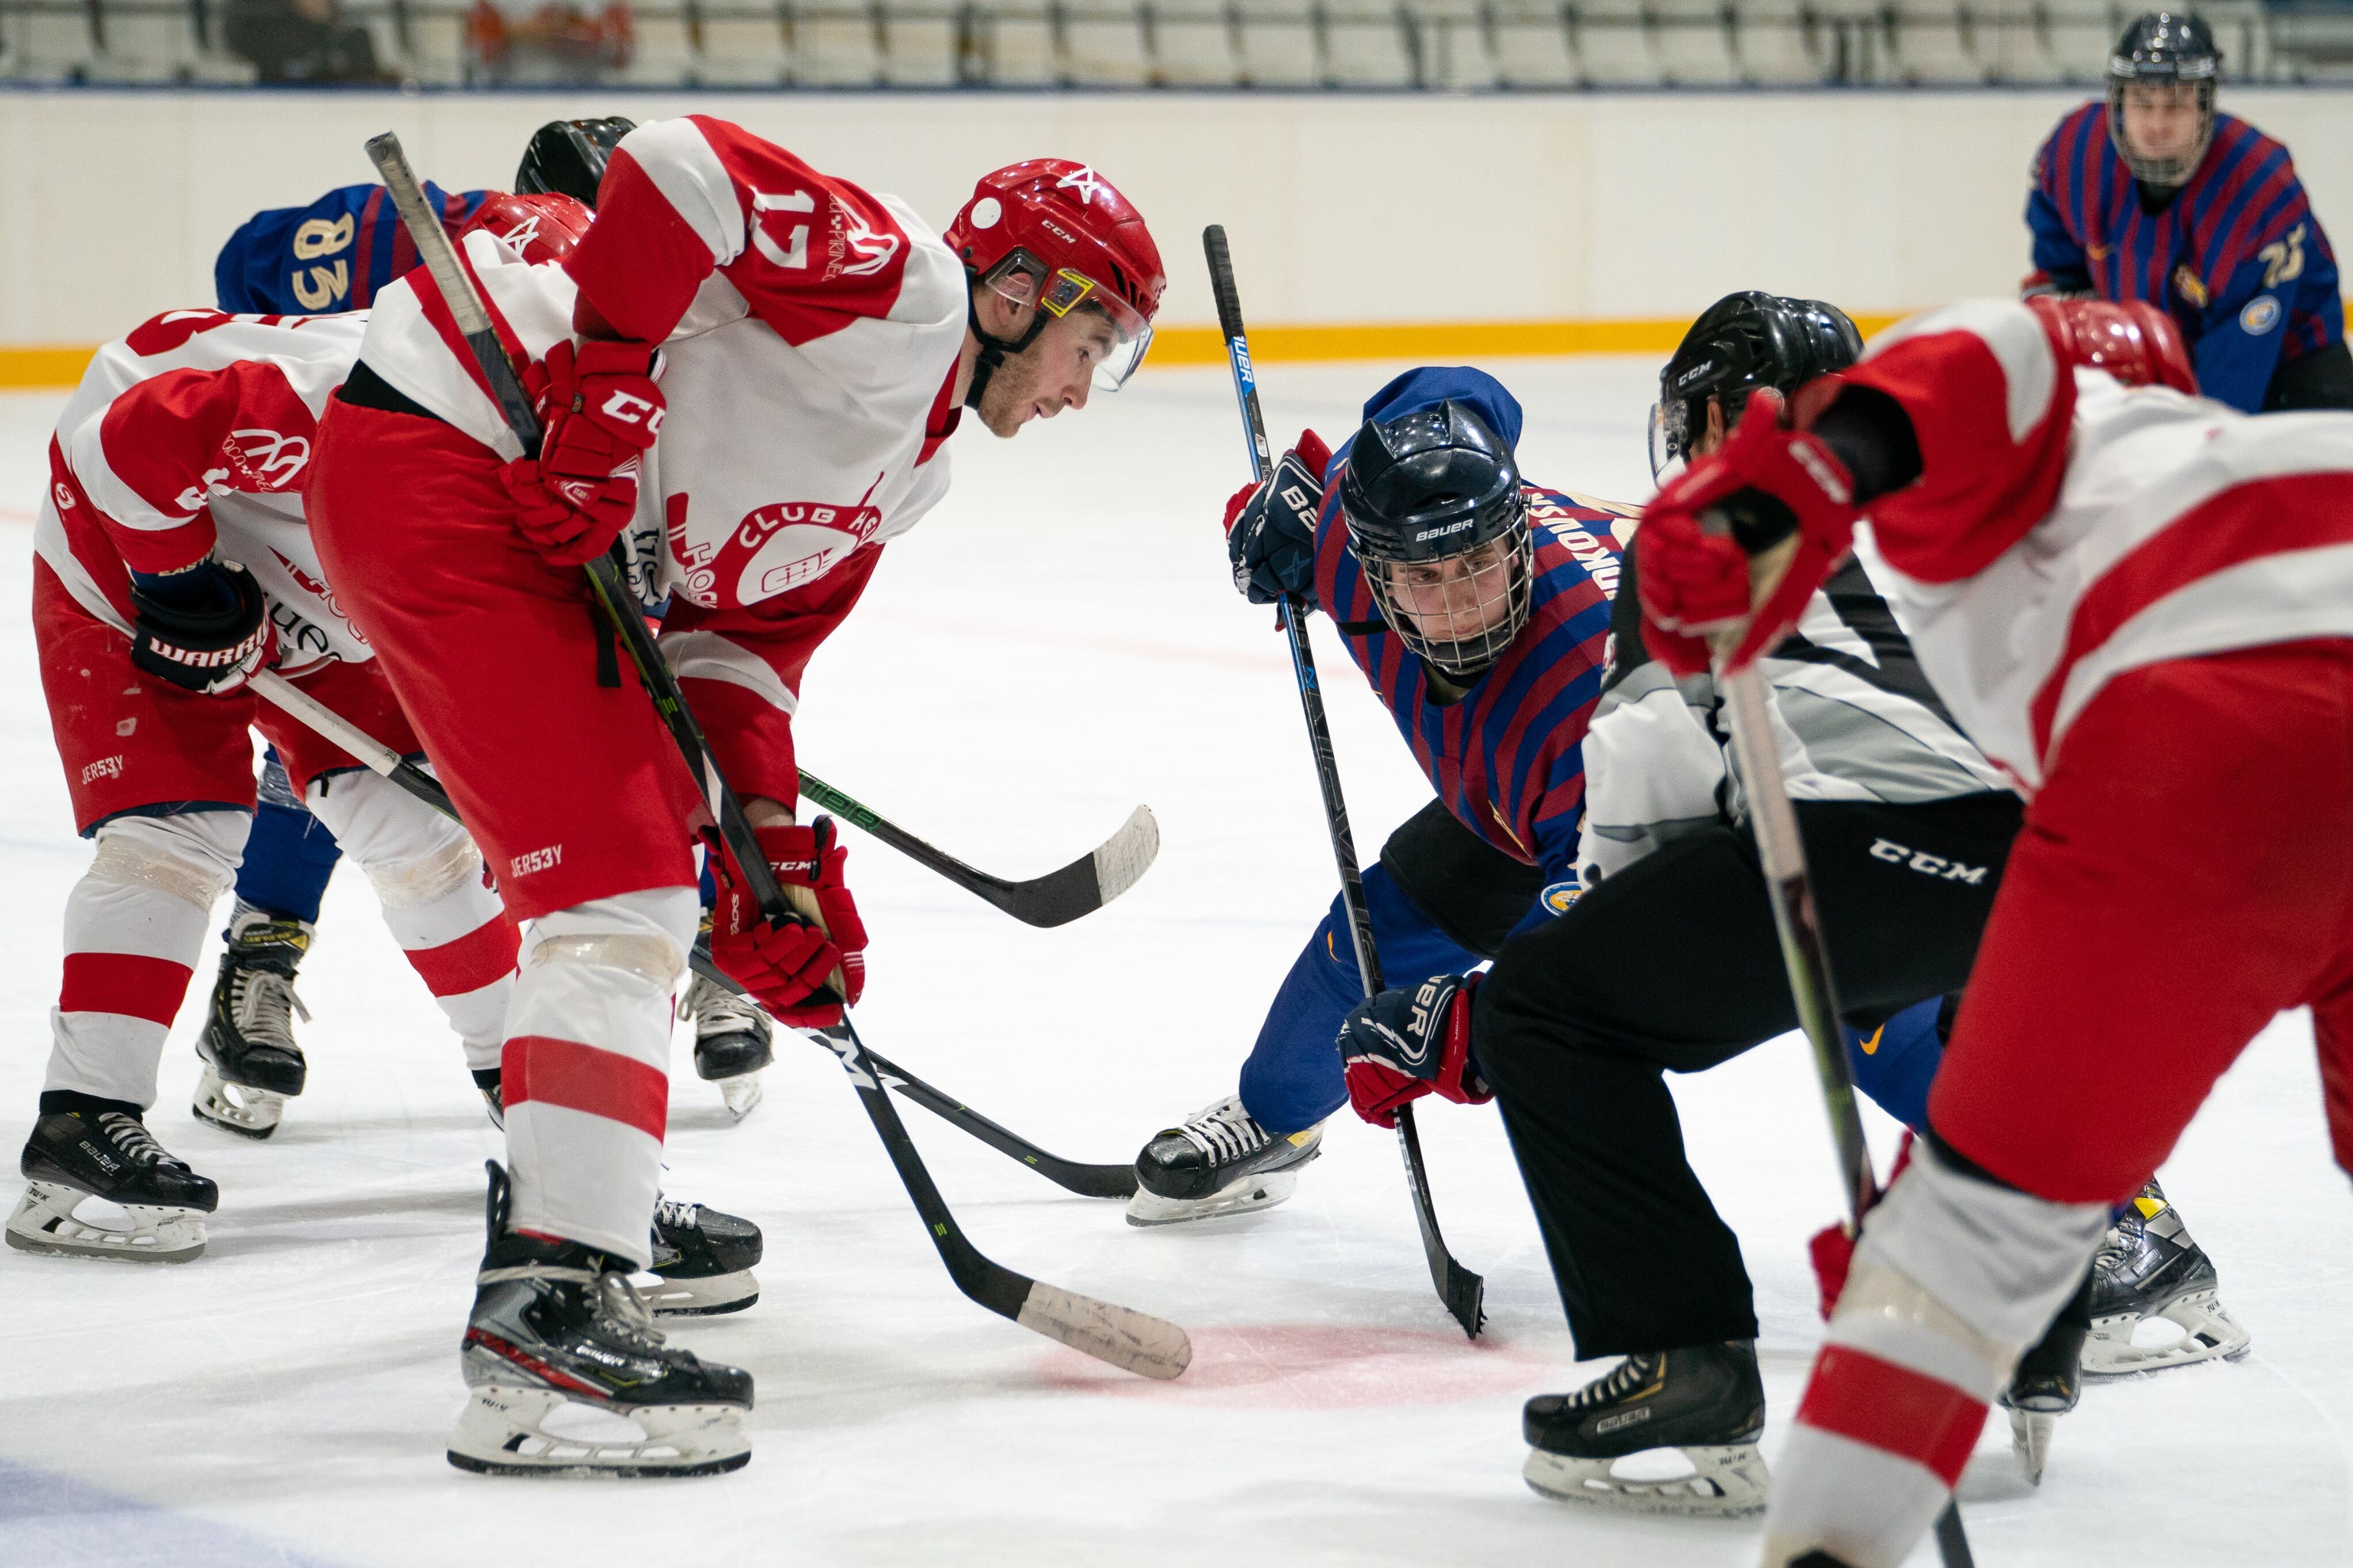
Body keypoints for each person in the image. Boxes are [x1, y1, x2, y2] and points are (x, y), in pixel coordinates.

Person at [304, 118, 1164, 1474]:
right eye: (1089, 343)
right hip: (452, 451)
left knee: (639, 879)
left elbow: (736, 650)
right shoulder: (904, 291)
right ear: (1016, 296)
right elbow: (678, 169)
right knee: (618, 889)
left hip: (490, 505)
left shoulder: (916, 467)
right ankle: (553, 1304)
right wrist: (606, 382)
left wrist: (775, 867)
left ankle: (559, 1253)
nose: (1082, 385)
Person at [1630, 293, 2353, 1568]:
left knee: (1958, 1261)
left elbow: (1974, 368)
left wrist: (1775, 499)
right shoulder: (2175, 459)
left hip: (2203, 727)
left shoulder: (2049, 413)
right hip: (2223, 711)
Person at [9, 209, 761, 1322]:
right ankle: (81, 1127)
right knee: (182, 824)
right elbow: (138, 438)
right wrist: (179, 585)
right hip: (128, 523)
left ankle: (568, 1174)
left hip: (325, 567)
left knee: (423, 844)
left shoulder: (594, 456)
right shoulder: (361, 404)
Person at [196, 117, 779, 1134]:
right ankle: (263, 943)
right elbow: (248, 265)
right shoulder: (432, 240)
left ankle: (703, 938)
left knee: (647, 692)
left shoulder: (689, 301)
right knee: (342, 721)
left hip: (563, 516)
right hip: (389, 507)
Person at [1125, 365, 1621, 1227]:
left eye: (1479, 562)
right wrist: (1300, 495)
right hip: (1512, 814)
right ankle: (1276, 1126)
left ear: (1519, 539)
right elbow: (1451, 393)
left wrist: (1475, 1029)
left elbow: (1610, 924)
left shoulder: (1593, 700)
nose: (1463, 601)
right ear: (1374, 567)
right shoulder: (1345, 540)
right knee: (1356, 961)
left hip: (1719, 824)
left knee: (1871, 1017)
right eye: (1427, 577)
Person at [2024, 10, 2353, 414]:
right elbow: (2059, 262)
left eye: (2176, 104)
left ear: (2205, 108)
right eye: (2143, 103)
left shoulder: (2258, 191)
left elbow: (2229, 389)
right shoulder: (2077, 151)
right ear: (2119, 102)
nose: (2157, 125)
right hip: (2160, 348)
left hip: (2286, 363)